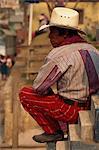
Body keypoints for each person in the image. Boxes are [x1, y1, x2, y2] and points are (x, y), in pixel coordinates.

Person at [19, 7, 99, 143]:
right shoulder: (93, 49)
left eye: (53, 32)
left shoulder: (59, 54)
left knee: (25, 93)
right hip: (90, 106)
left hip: (69, 110)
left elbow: (38, 87)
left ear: (65, 34)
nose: (49, 36)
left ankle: (53, 132)